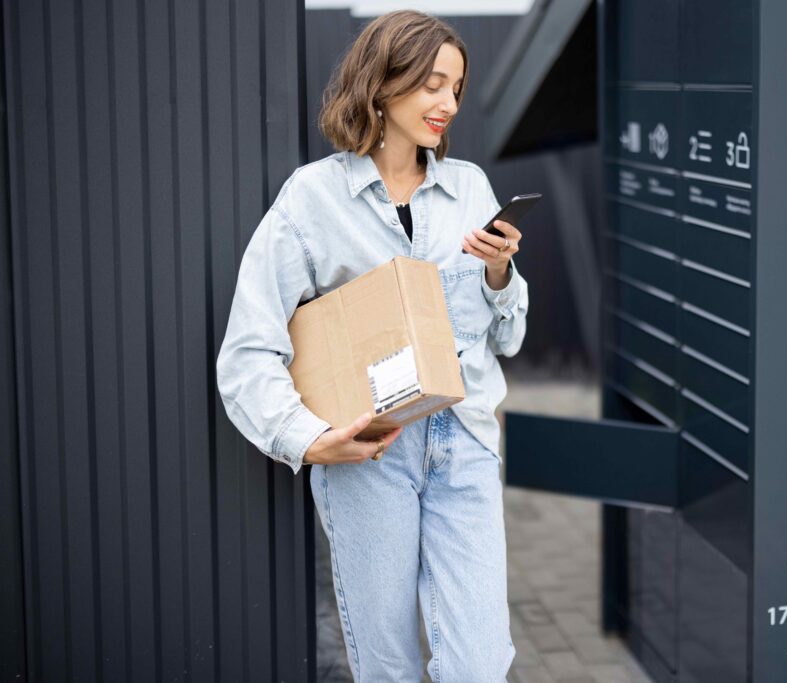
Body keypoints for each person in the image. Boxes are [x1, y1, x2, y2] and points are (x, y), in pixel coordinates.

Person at [215, 9, 527, 682]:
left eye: (457, 89)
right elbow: (247, 350)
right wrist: (308, 439)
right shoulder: (313, 199)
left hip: (464, 440)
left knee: (477, 664)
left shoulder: (469, 187)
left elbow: (508, 335)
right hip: (370, 452)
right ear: (382, 83)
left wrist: (501, 274)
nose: (448, 103)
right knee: (386, 663)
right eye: (432, 84)